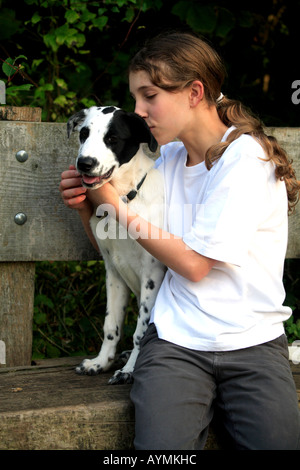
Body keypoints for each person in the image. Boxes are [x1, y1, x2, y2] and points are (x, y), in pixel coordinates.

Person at [59, 32, 300, 450]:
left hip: (252, 345)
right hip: (174, 342)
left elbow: (193, 265)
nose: (138, 111)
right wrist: (88, 203)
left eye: (149, 96)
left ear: (194, 93)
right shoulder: (164, 159)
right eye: (134, 98)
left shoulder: (245, 160)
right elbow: (114, 248)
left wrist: (114, 205)